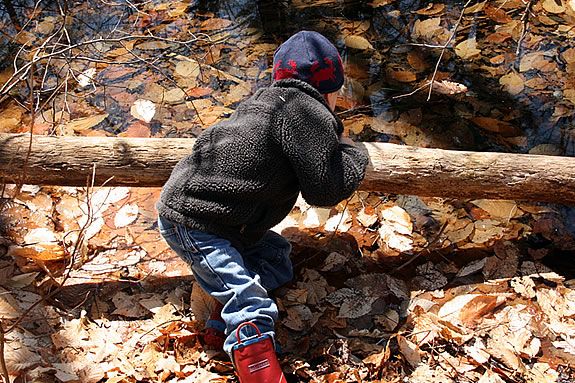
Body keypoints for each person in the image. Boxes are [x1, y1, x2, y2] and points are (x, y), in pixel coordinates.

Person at [157, 30, 368, 382]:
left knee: (274, 256)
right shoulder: (307, 112)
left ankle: (219, 323)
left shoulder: (264, 102)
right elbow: (325, 190)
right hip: (194, 221)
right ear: (331, 90)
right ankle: (259, 369)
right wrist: (353, 153)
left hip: (214, 215)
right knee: (250, 302)